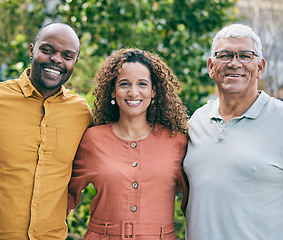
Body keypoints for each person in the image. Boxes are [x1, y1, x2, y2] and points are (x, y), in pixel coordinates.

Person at [67, 48, 189, 240]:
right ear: (113, 92)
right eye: (124, 84)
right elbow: (63, 196)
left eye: (142, 84)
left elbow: (197, 201)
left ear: (153, 90)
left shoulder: (177, 140)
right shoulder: (93, 139)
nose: (133, 92)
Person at [183, 23, 283, 240]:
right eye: (225, 55)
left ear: (260, 67)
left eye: (245, 56)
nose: (234, 63)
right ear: (211, 66)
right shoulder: (198, 120)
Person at [0, 22, 92, 240]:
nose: (57, 60)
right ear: (32, 50)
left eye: (67, 56)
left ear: (75, 62)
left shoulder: (81, 113)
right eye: (48, 50)